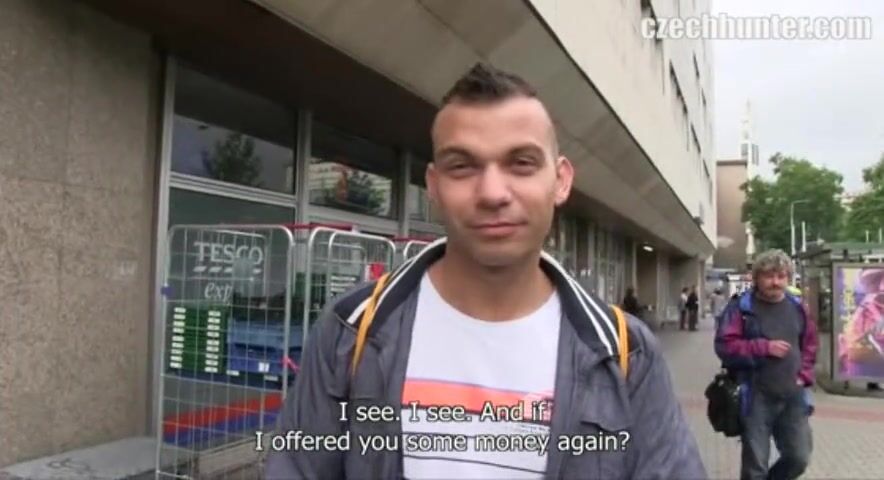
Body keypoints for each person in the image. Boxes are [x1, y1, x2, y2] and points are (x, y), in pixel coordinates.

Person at [265, 63, 705, 479]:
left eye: (521, 163)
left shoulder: (627, 354)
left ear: (561, 181)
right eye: (462, 166)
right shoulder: (349, 331)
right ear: (434, 186)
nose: (493, 193)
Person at [714, 249, 818, 480]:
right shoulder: (742, 308)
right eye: (769, 276)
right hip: (755, 397)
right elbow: (724, 345)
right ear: (756, 278)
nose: (775, 282)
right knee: (755, 467)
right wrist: (763, 347)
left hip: (793, 396)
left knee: (798, 457)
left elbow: (810, 344)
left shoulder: (797, 307)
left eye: (781, 276)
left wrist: (804, 375)